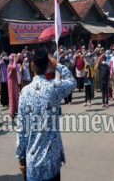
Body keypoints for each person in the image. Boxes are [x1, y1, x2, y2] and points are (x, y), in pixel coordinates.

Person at [16, 47, 77, 181]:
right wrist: (57, 65)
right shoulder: (54, 88)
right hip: (52, 162)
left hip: (33, 162)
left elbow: (22, 129)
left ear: (32, 65)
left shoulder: (25, 92)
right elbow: (73, 82)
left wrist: (21, 158)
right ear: (48, 65)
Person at [7, 53, 19, 119]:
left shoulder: (11, 64)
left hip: (14, 81)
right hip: (11, 82)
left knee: (15, 95)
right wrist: (14, 58)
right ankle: (11, 112)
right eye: (13, 58)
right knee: (11, 96)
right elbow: (14, 67)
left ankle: (15, 110)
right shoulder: (10, 65)